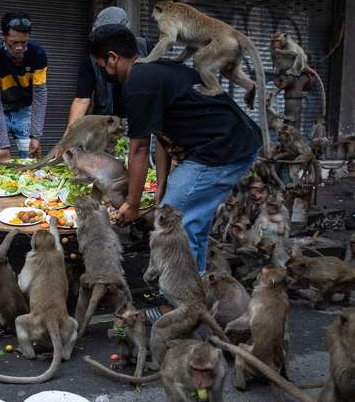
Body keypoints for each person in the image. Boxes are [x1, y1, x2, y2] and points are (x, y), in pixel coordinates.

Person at [88, 24, 262, 274]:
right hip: (235, 142)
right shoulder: (155, 72)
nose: (103, 71)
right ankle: (195, 291)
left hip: (221, 150)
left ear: (113, 58)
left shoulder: (137, 83)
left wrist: (133, 204)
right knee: (191, 222)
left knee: (171, 222)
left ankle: (184, 304)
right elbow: (162, 136)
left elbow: (138, 148)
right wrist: (160, 185)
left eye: (101, 64)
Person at [0, 10, 48, 164]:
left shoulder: (38, 56)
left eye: (23, 42)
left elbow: (40, 94)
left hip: (24, 108)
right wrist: (2, 145)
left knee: (31, 162)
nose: (19, 47)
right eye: (14, 42)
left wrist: (36, 136)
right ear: (2, 36)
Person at [66, 7, 149, 129]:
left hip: (138, 120)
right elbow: (81, 100)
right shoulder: (92, 58)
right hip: (105, 123)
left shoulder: (145, 48)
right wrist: (68, 138)